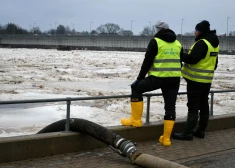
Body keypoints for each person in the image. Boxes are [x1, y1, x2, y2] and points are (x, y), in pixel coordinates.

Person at [120, 21, 183, 147]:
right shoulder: (177, 43)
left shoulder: (156, 41)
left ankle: (136, 120)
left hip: (158, 78)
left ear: (159, 29)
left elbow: (147, 61)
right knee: (170, 107)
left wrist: (139, 79)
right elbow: (180, 61)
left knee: (136, 88)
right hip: (174, 79)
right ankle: (166, 139)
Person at [172, 20, 220, 140]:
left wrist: (180, 55)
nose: (195, 32)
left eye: (196, 30)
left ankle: (187, 133)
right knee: (204, 105)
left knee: (193, 106)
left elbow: (192, 59)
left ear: (201, 31)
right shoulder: (214, 44)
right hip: (207, 80)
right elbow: (214, 64)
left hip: (195, 80)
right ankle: (201, 131)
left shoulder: (202, 43)